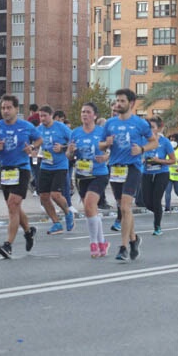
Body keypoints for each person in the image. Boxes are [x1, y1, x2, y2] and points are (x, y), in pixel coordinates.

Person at [101, 88, 156, 261]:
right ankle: (134, 239)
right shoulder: (110, 123)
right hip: (115, 168)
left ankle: (123, 247)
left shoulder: (140, 123)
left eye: (122, 101)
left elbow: (154, 142)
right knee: (123, 209)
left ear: (131, 103)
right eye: (117, 100)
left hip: (133, 167)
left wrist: (141, 149)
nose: (118, 104)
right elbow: (101, 145)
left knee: (125, 207)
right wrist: (105, 144)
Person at [0, 95, 39, 259]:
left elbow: (39, 138)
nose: (5, 111)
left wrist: (32, 147)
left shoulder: (26, 126)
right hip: (5, 170)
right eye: (3, 108)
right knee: (15, 208)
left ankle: (8, 245)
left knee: (13, 204)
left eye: (8, 108)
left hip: (21, 169)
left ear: (16, 109)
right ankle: (29, 232)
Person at [68, 102, 110, 257]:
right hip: (82, 175)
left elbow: (110, 151)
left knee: (90, 204)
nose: (84, 114)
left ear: (95, 115)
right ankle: (102, 242)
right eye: (82, 112)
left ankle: (93, 244)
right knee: (89, 210)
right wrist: (70, 152)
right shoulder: (75, 133)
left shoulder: (102, 132)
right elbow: (69, 155)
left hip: (99, 173)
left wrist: (105, 156)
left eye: (87, 112)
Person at [35, 105, 74, 235]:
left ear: (51, 115)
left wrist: (63, 148)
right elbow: (33, 142)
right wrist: (32, 148)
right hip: (45, 165)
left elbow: (74, 142)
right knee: (44, 197)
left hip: (60, 166)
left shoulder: (61, 127)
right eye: (41, 116)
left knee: (55, 195)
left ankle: (68, 213)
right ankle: (56, 223)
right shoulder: (39, 129)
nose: (42, 119)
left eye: (45, 116)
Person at [141, 117, 174, 236]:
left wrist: (158, 160)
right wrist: (142, 159)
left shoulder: (165, 142)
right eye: (148, 127)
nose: (150, 130)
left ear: (159, 128)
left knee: (156, 199)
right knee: (146, 201)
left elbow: (172, 160)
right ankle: (159, 212)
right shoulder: (143, 141)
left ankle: (157, 226)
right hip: (147, 173)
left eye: (152, 127)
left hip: (162, 173)